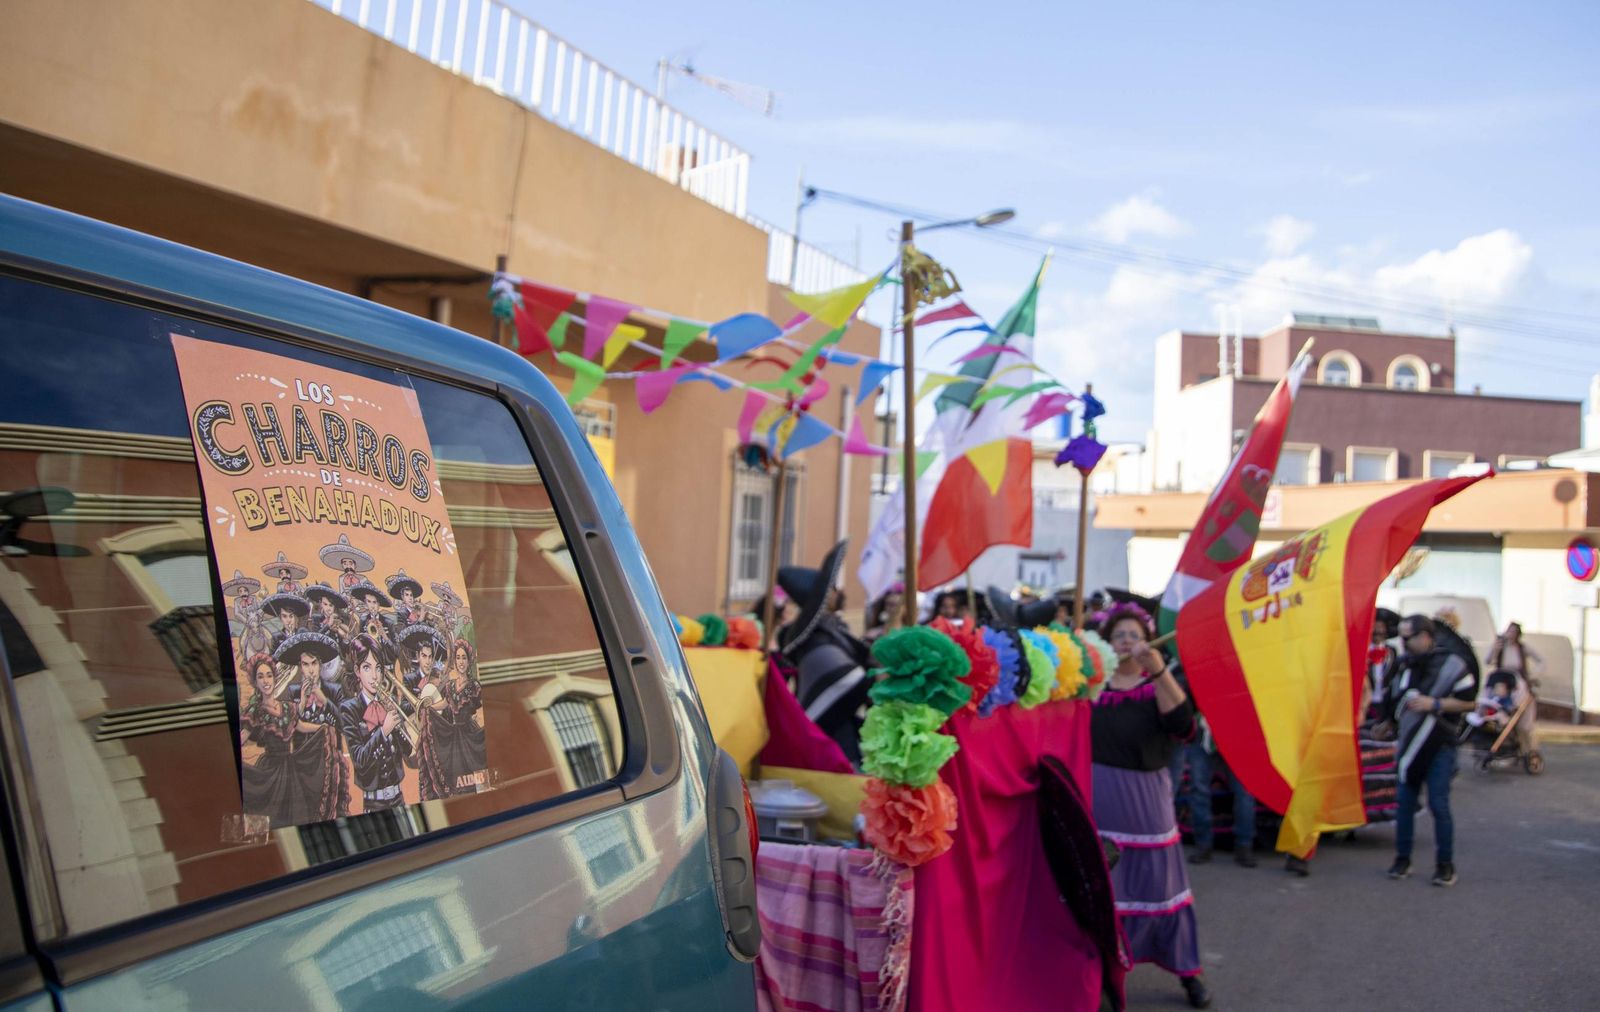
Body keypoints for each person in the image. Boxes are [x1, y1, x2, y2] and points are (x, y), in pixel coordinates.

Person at [1090, 603, 1211, 1008]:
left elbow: (1184, 727)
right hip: (1102, 797)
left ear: (1147, 642)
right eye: (1118, 636)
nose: (1126, 642)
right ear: (1107, 645)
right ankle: (1108, 977)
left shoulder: (1157, 683)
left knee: (1163, 889)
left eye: (1133, 635)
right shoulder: (1092, 688)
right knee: (1107, 892)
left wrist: (1159, 671)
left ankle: (1188, 973)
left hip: (1148, 800)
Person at [1383, 614, 1478, 887]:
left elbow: (1469, 704)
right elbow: (1395, 701)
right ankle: (1402, 859)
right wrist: (1387, 723)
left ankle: (1445, 865)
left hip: (1440, 745)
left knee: (1439, 804)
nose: (1403, 642)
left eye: (1408, 637)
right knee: (1404, 805)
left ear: (1425, 636)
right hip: (1409, 745)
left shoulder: (1452, 664)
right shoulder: (1404, 665)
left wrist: (1434, 704)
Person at [1169, 703, 1258, 868]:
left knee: (1244, 791)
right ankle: (1204, 844)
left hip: (1237, 729)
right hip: (1204, 731)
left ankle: (1243, 845)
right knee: (1199, 790)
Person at [338, 633, 416, 812]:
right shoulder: (349, 709)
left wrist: (397, 723)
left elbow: (407, 750)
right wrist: (384, 731)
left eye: (378, 668)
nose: (374, 675)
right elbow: (358, 759)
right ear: (357, 671)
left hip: (399, 798)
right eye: (367, 668)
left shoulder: (388, 702)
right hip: (373, 805)